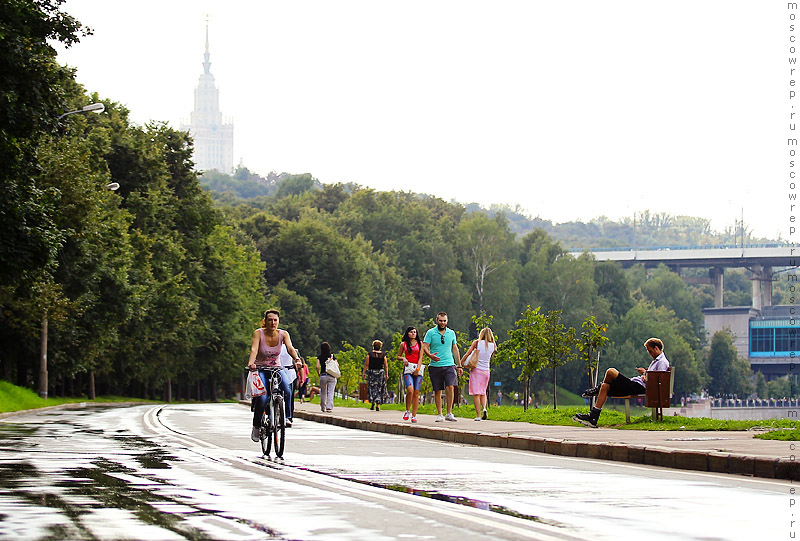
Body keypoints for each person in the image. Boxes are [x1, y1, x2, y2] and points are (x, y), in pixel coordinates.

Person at [573, 337, 671, 428]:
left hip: (638, 387)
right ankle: (593, 417)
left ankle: (596, 390)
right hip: (635, 384)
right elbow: (653, 376)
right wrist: (645, 374)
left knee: (611, 371)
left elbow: (658, 381)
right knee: (605, 386)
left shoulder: (662, 362)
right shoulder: (656, 361)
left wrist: (645, 375)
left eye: (650, 351)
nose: (649, 354)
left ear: (656, 348)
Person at [246, 309, 300, 441]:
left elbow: (290, 348)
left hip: (276, 367)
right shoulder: (258, 333)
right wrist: (251, 363)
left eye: (275, 320)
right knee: (263, 398)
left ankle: (286, 417)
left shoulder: (283, 334)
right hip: (261, 369)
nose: (273, 322)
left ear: (278, 321)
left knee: (287, 388)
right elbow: (254, 349)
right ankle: (257, 425)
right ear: (265, 321)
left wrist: (297, 359)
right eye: (270, 320)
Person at [422, 311, 462, 422]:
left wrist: (459, 365)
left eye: (444, 321)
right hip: (435, 365)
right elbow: (425, 346)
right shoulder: (430, 333)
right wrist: (430, 355)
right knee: (437, 390)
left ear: (447, 321)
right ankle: (440, 414)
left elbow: (455, 348)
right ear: (437, 320)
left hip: (449, 365)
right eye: (440, 321)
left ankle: (449, 412)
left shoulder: (451, 333)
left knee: (450, 387)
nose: (442, 323)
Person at [459, 327, 495, 421]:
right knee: (483, 392)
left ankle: (478, 415)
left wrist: (460, 363)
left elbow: (468, 354)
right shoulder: (493, 345)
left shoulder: (477, 343)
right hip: (486, 371)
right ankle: (484, 408)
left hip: (477, 370)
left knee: (476, 393)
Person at [397, 326, 423, 423]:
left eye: (414, 332)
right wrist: (403, 358)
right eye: (411, 332)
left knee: (416, 393)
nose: (413, 334)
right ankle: (407, 410)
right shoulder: (403, 344)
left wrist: (418, 368)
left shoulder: (420, 344)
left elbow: (421, 357)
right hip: (408, 369)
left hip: (417, 368)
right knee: (410, 390)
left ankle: (414, 415)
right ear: (407, 333)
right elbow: (398, 356)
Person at [362, 339, 388, 411]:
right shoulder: (383, 355)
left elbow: (366, 364)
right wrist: (386, 374)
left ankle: (373, 402)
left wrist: (364, 372)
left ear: (373, 346)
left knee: (372, 388)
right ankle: (378, 403)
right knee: (379, 388)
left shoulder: (370, 354)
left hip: (372, 372)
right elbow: (385, 365)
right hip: (380, 372)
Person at [278, 344, 297, 427]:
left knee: (288, 394)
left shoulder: (289, 347)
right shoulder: (270, 345)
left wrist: (298, 361)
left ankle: (288, 416)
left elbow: (296, 357)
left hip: (288, 372)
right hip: (274, 371)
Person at [316, 342, 338, 412]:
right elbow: (337, 365)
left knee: (323, 392)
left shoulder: (320, 357)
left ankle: (323, 407)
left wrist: (319, 374)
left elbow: (317, 367)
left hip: (323, 375)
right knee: (330, 392)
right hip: (331, 375)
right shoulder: (332, 356)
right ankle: (329, 407)